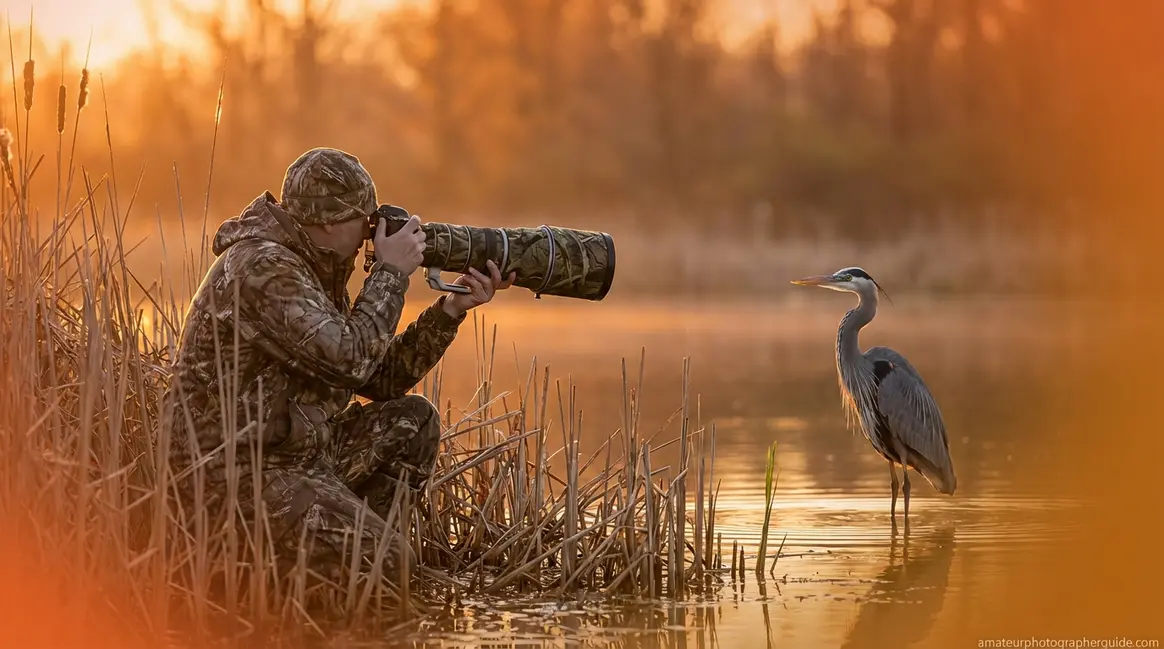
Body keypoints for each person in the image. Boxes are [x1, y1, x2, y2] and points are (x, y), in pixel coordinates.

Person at [160, 147, 514, 589]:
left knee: (413, 421)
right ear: (328, 221)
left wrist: (451, 308)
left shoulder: (313, 266)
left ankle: (341, 562)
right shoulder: (263, 268)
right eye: (365, 221)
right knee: (387, 563)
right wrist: (390, 273)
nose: (371, 234)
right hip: (231, 476)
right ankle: (339, 570)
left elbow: (378, 378)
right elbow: (349, 360)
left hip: (292, 456)